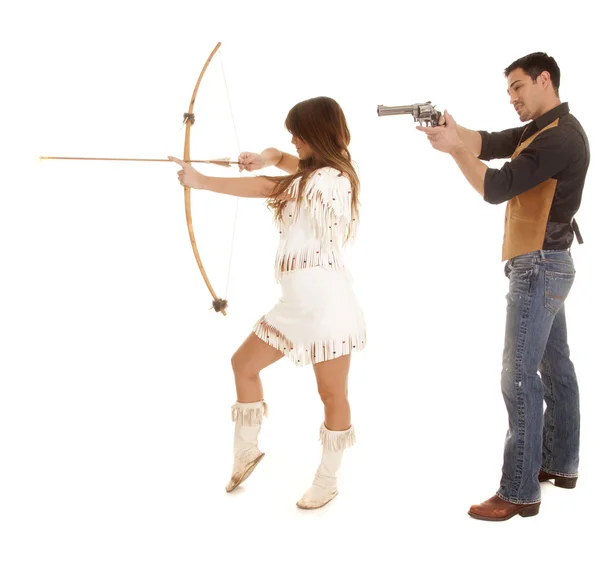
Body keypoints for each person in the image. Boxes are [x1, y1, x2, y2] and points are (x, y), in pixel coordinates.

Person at [416, 52, 590, 521]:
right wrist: (455, 132)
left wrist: (454, 150)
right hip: (547, 263)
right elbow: (490, 142)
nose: (511, 97)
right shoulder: (545, 130)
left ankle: (518, 491)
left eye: (517, 86)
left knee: (517, 376)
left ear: (544, 80)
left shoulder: (559, 139)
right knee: (555, 367)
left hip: (538, 266)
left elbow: (496, 187)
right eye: (508, 90)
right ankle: (560, 464)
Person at [169, 96, 366, 509]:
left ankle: (327, 479)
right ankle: (245, 453)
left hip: (328, 307)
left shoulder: (333, 178)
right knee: (244, 364)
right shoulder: (312, 170)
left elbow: (268, 186)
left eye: (298, 133)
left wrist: (202, 181)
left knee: (332, 394)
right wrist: (266, 155)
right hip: (293, 306)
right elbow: (281, 162)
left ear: (318, 134)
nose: (292, 140)